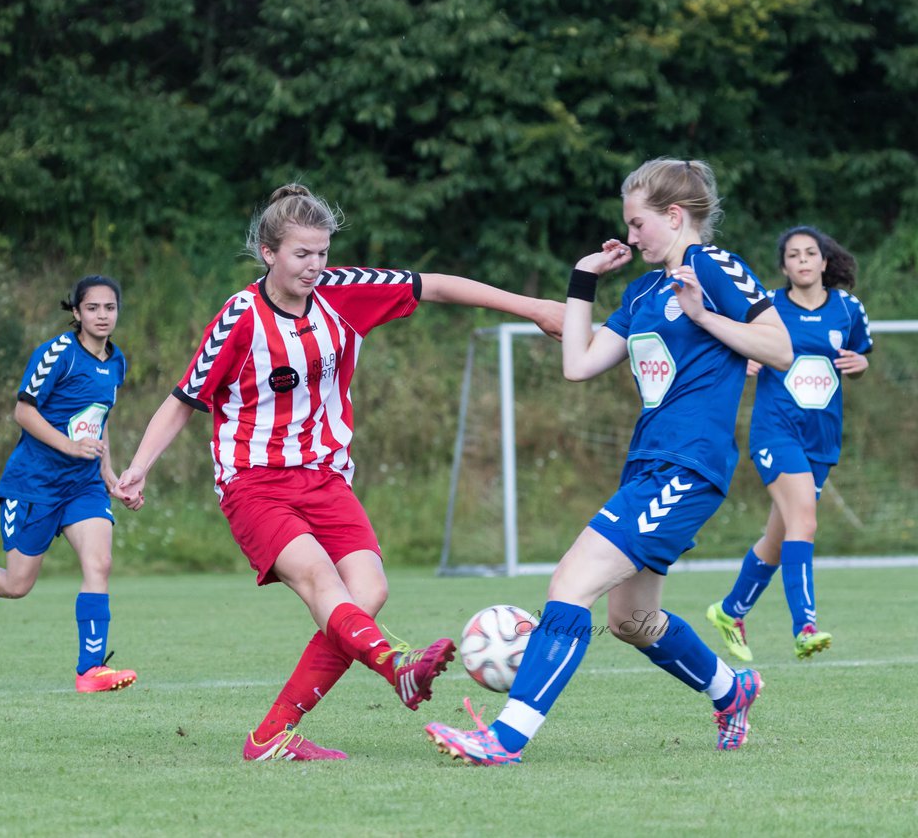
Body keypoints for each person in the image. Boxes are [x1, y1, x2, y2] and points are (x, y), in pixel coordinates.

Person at [113, 183, 566, 761]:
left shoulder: (342, 293)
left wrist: (535, 308)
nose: (314, 266)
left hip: (326, 479)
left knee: (368, 592)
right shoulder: (239, 318)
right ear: (269, 252)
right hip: (254, 481)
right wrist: (138, 468)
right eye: (301, 254)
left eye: (322, 253)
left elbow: (436, 285)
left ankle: (270, 736)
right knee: (320, 583)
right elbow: (184, 398)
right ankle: (397, 666)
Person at [425, 158, 794, 766]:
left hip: (688, 466)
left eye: (638, 223)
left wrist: (705, 316)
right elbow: (579, 362)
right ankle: (733, 690)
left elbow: (780, 347)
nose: (630, 236)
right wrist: (581, 278)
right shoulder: (644, 291)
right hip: (647, 465)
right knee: (630, 618)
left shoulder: (714, 267)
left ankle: (505, 738)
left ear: (675, 216)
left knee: (571, 582)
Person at [0, 275, 141, 694]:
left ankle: (90, 670)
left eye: (109, 308)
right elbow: (24, 412)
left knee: (100, 564)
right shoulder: (59, 353)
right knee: (17, 584)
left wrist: (109, 475)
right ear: (76, 312)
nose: (102, 316)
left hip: (82, 486)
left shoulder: (117, 362)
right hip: (34, 484)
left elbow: (99, 420)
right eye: (92, 308)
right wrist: (71, 448)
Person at [706, 227, 872, 661]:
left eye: (810, 253)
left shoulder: (848, 310)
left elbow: (857, 356)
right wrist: (744, 359)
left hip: (822, 439)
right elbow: (735, 341)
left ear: (823, 262)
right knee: (806, 523)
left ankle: (729, 611)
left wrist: (861, 364)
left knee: (778, 541)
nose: (802, 260)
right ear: (783, 267)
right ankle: (805, 627)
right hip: (776, 432)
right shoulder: (770, 308)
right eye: (793, 255)